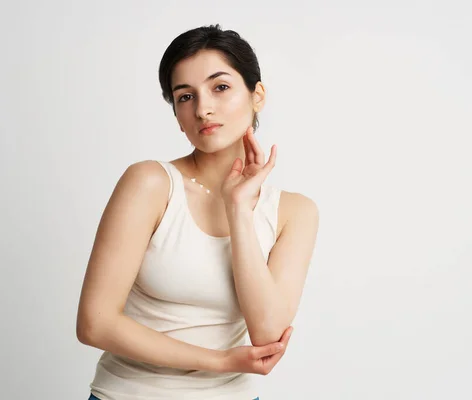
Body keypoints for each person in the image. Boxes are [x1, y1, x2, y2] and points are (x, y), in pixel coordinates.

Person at [76, 24, 319, 400]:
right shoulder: (150, 184)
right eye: (185, 96)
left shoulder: (294, 211)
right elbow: (95, 323)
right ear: (176, 113)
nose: (203, 108)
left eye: (220, 87)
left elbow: (268, 335)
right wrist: (221, 361)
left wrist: (237, 208)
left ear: (257, 95)